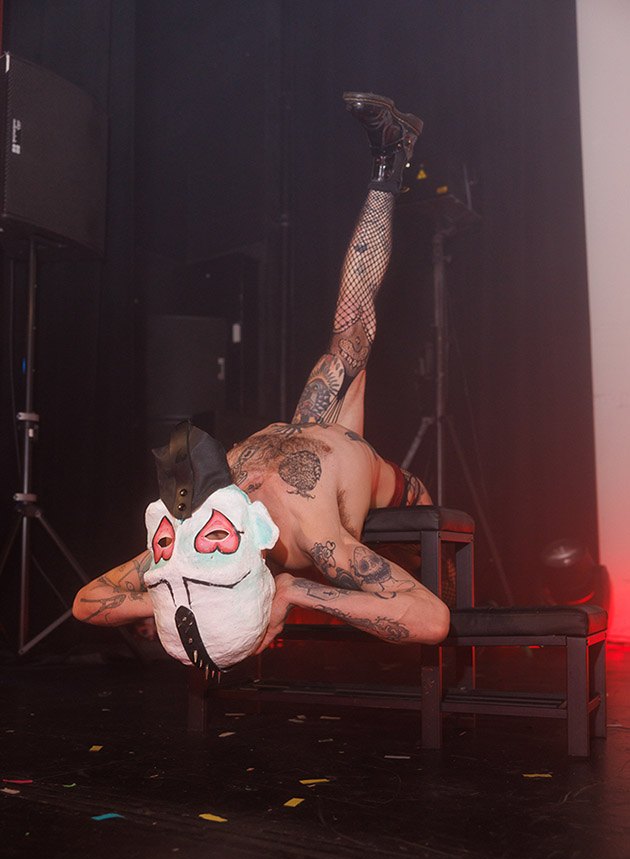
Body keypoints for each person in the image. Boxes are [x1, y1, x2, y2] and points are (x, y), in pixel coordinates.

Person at [72, 92, 450, 669]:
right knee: (355, 330)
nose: (211, 538)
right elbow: (431, 619)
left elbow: (86, 602)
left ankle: (388, 156)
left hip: (309, 425)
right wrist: (294, 592)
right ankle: (390, 163)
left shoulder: (192, 535)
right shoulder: (316, 538)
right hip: (365, 467)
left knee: (349, 327)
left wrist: (173, 595)